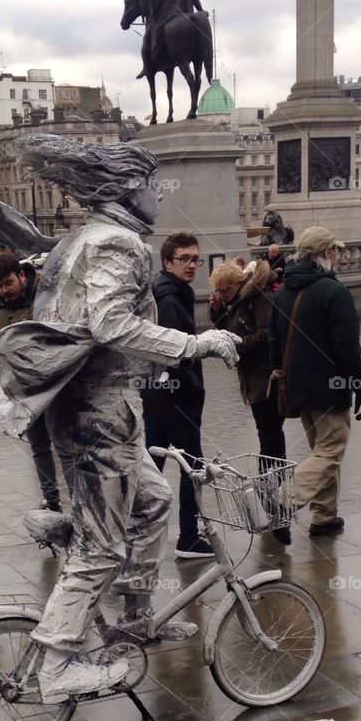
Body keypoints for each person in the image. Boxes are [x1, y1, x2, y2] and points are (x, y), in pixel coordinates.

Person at [0, 136, 240, 704]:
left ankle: (135, 617)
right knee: (103, 544)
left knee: (154, 500)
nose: (160, 194)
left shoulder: (82, 238)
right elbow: (111, 324)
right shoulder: (119, 243)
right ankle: (57, 664)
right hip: (97, 414)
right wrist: (195, 344)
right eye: (153, 184)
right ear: (130, 189)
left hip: (95, 407)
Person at [269, 226, 361, 537]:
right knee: (330, 451)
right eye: (334, 251)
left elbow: (274, 342)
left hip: (298, 387)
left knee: (321, 450)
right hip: (329, 388)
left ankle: (324, 517)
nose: (336, 256)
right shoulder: (333, 292)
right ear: (326, 254)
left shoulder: (283, 292)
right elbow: (347, 347)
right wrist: (360, 385)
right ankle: (283, 498)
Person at [141, 232, 212, 560]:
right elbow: (174, 352)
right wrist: (193, 381)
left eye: (195, 258)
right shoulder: (170, 298)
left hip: (156, 395)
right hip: (177, 398)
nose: (192, 265)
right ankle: (189, 538)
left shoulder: (163, 290)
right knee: (192, 467)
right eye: (184, 259)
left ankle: (136, 533)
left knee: (151, 466)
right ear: (168, 262)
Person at [210, 258, 289, 544]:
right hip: (254, 380)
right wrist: (216, 309)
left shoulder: (259, 299)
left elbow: (268, 335)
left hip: (266, 381)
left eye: (224, 291)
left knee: (270, 437)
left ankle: (272, 496)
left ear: (237, 284)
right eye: (218, 292)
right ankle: (271, 494)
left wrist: (239, 345)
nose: (222, 295)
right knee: (268, 436)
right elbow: (226, 326)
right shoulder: (238, 301)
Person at [0, 253, 71, 513]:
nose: (4, 291)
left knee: (65, 444)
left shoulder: (45, 298)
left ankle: (79, 498)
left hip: (55, 386)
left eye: (8, 283)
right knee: (39, 446)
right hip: (24, 390)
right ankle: (51, 500)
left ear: (21, 276)